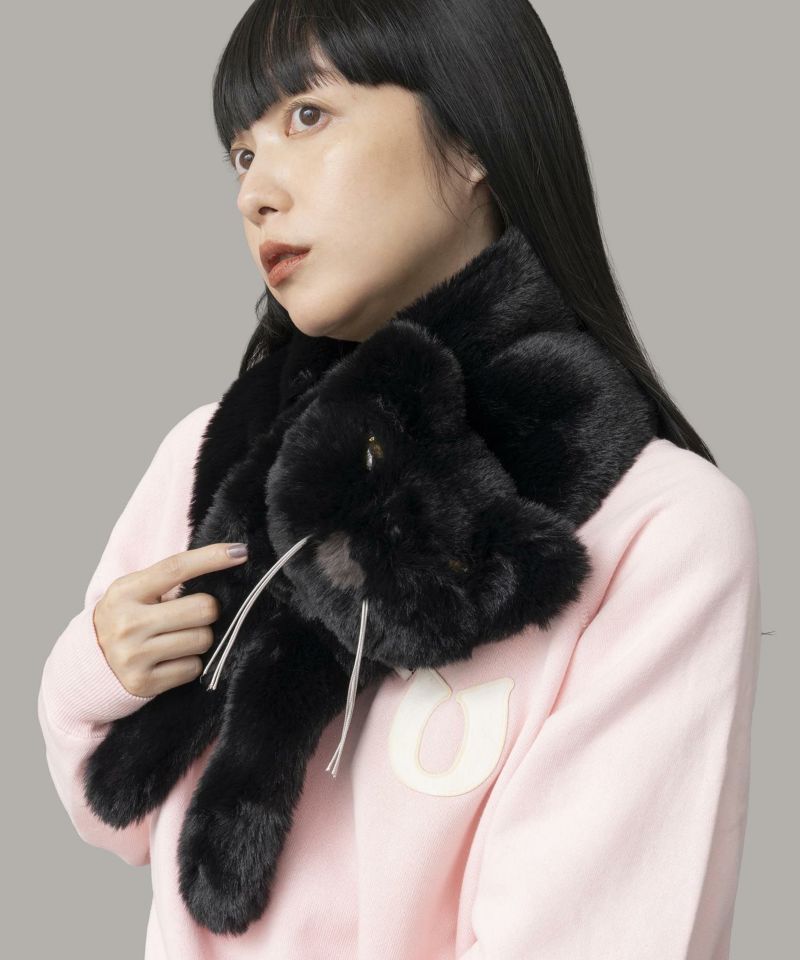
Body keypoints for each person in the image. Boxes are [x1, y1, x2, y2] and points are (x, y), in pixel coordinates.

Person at [37, 1, 762, 957]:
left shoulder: (658, 527)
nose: (255, 193)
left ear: (473, 136)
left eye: (307, 116)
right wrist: (93, 673)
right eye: (241, 154)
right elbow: (121, 818)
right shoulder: (209, 456)